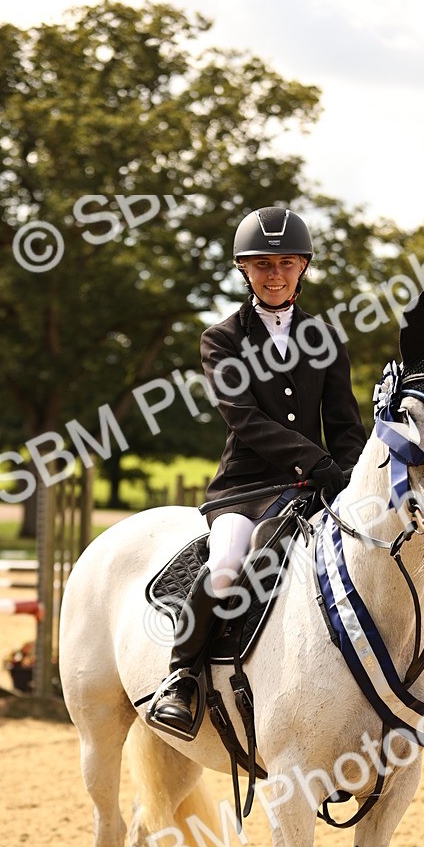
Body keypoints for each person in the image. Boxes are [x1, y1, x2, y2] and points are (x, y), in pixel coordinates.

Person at [152, 206, 367, 731]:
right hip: (245, 488)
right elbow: (243, 419)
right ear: (244, 270)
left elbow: (343, 420)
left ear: (304, 268)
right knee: (227, 566)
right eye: (263, 264)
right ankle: (182, 678)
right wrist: (313, 460)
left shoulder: (326, 337)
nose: (275, 275)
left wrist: (352, 476)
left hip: (318, 487)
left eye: (287, 263)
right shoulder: (221, 339)